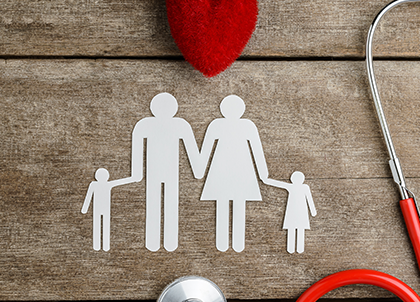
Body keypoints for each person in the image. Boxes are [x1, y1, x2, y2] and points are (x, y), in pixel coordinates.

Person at [195, 95, 269, 252]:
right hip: (232, 169)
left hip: (232, 169)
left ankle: (232, 242)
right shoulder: (234, 125)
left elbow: (256, 148)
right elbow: (208, 146)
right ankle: (230, 243)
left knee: (232, 202)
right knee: (233, 202)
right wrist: (263, 174)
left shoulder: (224, 124)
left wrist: (200, 169)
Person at [132, 93, 201, 251]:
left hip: (165, 169)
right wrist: (198, 170)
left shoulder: (174, 124)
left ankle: (161, 242)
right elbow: (191, 147)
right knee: (163, 201)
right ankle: (158, 242)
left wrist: (136, 173)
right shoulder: (147, 124)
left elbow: (190, 146)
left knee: (161, 201)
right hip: (158, 170)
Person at [81, 168, 135, 251]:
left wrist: (132, 179)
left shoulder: (106, 184)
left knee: (101, 225)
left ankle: (102, 246)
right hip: (99, 209)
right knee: (100, 225)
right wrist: (84, 209)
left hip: (102, 209)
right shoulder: (96, 184)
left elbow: (120, 182)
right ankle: (100, 246)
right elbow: (89, 196)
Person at [264, 172, 317, 253]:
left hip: (297, 210)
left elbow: (309, 199)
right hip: (295, 210)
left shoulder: (302, 187)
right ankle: (292, 249)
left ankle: (296, 248)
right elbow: (279, 184)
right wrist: (266, 180)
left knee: (297, 228)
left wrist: (266, 180)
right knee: (296, 228)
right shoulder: (295, 186)